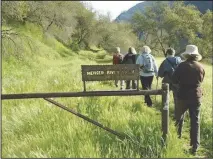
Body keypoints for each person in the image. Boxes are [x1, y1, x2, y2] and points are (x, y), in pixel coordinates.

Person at [172, 45, 205, 155]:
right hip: (196, 96)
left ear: (186, 55)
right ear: (196, 55)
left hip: (183, 95)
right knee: (195, 121)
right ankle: (195, 146)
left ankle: (176, 138)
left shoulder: (181, 66)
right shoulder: (200, 67)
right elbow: (201, 80)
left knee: (179, 118)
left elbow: (174, 80)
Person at [157, 48, 182, 119]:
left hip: (167, 82)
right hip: (177, 82)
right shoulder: (179, 60)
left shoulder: (165, 61)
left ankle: (165, 114)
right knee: (176, 99)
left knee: (166, 98)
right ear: (174, 53)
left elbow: (161, 74)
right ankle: (177, 115)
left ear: (167, 53)